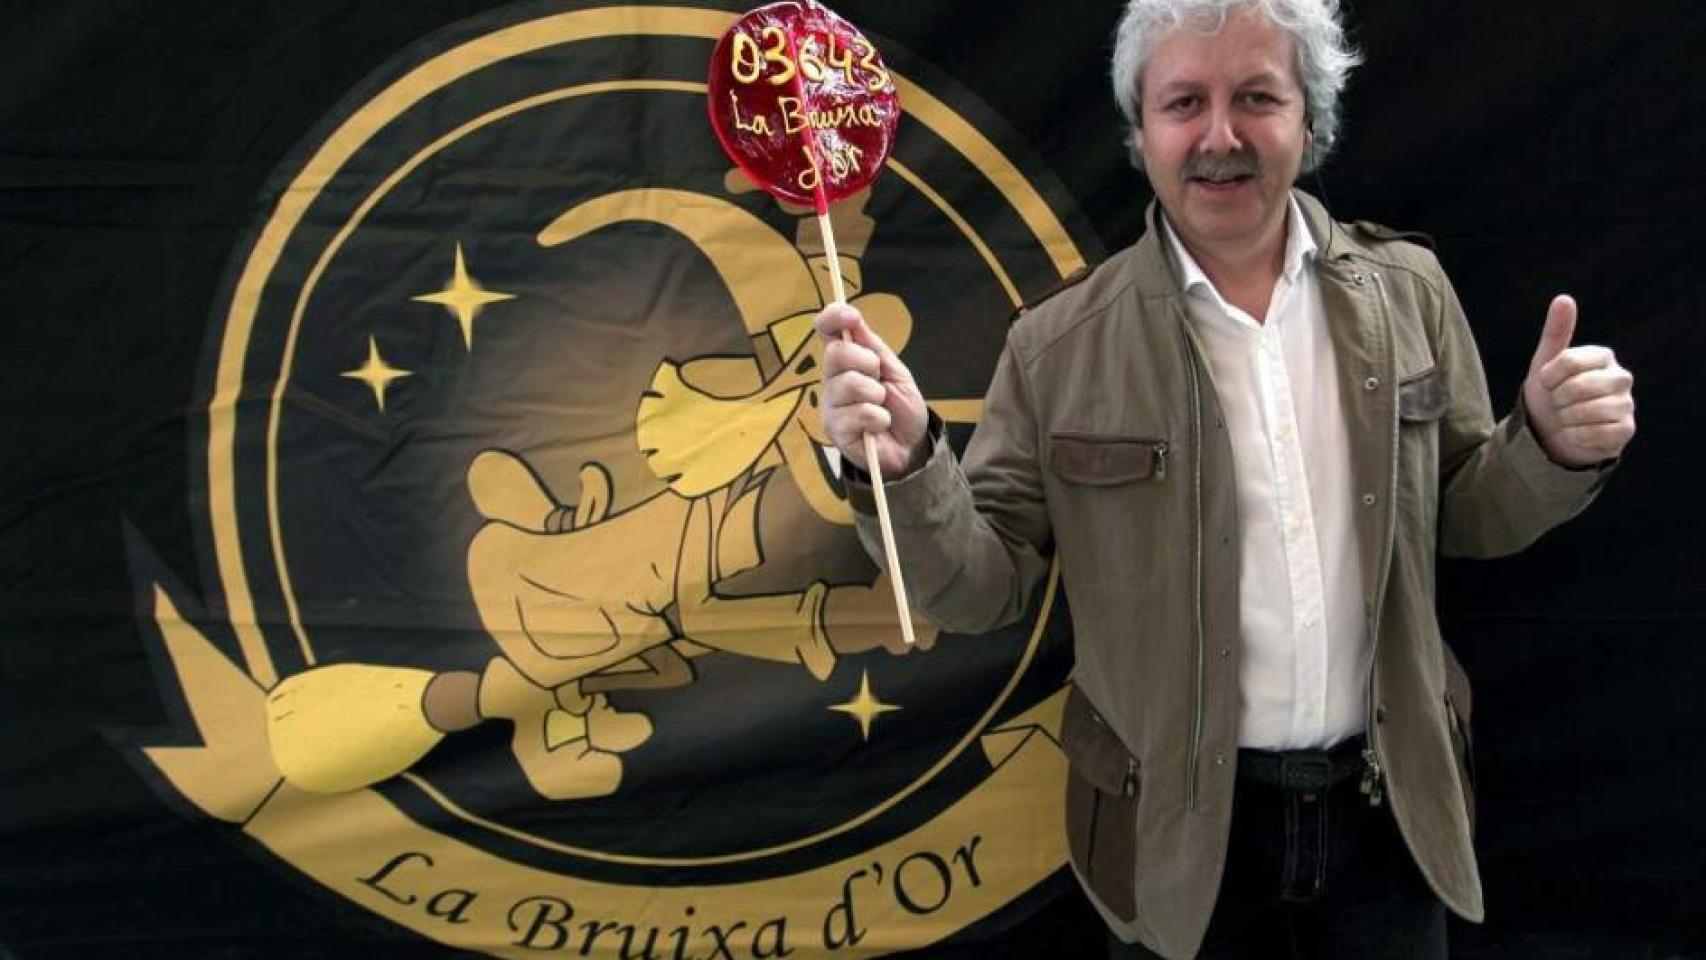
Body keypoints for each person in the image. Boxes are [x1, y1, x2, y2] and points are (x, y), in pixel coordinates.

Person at [812, 0, 1637, 957]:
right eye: (1184, 103)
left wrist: (1548, 443)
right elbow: (980, 590)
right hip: (1173, 839)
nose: (1219, 136)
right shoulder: (1056, 347)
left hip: (1392, 819)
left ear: (1310, 120)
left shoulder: (1409, 292)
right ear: (1141, 133)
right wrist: (906, 466)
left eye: (1257, 97)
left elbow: (1464, 514)